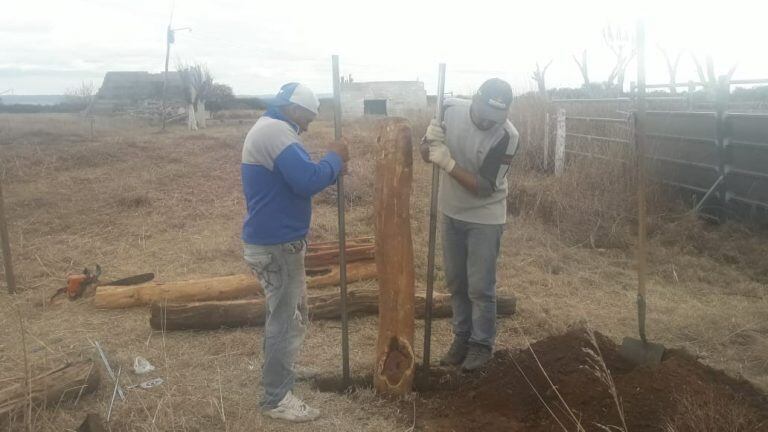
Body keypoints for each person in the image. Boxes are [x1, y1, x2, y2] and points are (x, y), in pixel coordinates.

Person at [241, 82, 349, 422]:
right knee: (285, 321)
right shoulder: (276, 132)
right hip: (276, 245)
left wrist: (331, 167)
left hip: (276, 241)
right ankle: (275, 398)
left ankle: (283, 373)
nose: (310, 124)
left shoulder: (272, 128)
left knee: (291, 316)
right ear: (295, 109)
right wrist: (335, 157)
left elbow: (299, 177)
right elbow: (306, 180)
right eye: (309, 117)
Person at [421, 78, 519, 371]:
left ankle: (481, 345)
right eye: (485, 114)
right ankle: (462, 338)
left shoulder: (508, 136)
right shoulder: (449, 109)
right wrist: (428, 142)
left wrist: (448, 163)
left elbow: (485, 186)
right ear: (474, 101)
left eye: (496, 118)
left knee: (480, 287)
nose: (489, 122)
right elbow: (426, 155)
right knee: (456, 282)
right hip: (451, 211)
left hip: (484, 218)